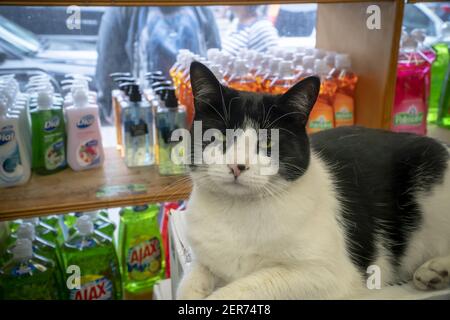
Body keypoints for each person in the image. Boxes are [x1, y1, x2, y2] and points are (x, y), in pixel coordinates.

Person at [95, 6, 221, 125]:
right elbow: (108, 74)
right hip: (148, 121)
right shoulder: (123, 9)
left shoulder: (201, 9)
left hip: (157, 122)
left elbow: (107, 71)